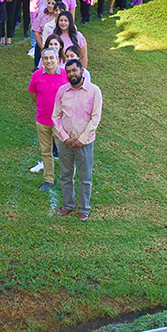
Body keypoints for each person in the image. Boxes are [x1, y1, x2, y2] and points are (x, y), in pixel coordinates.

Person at [53, 59, 103, 221]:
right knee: (65, 175)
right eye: (69, 72)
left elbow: (95, 118)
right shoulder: (62, 91)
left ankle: (84, 208)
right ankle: (68, 205)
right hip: (65, 142)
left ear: (81, 70)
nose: (72, 74)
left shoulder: (94, 91)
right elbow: (56, 116)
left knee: (85, 177)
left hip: (85, 143)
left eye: (74, 70)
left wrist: (82, 139)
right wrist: (65, 138)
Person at [27, 48, 68, 191]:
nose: (49, 61)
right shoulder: (37, 75)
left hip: (60, 123)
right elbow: (33, 94)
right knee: (46, 152)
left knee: (64, 153)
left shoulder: (65, 75)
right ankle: (48, 179)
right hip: (42, 121)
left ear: (57, 59)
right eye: (46, 58)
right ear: (42, 60)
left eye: (52, 58)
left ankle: (66, 180)